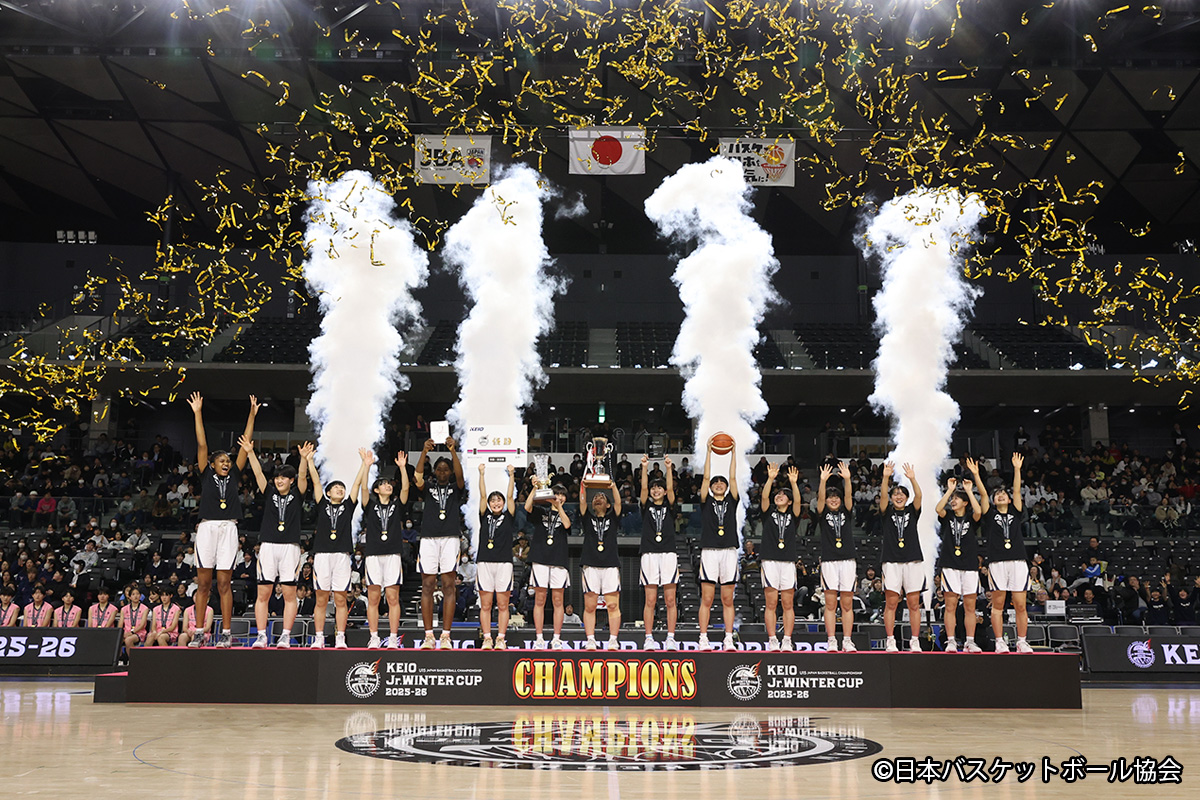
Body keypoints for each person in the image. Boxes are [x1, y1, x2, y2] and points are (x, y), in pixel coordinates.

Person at [187, 392, 259, 648]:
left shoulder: (235, 475)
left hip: (229, 527)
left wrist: (252, 414)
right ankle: (199, 632)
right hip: (207, 527)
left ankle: (226, 632)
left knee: (224, 582)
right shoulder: (205, 473)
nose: (226, 463)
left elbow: (245, 442)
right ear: (213, 464)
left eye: (228, 460)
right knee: (204, 584)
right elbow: (202, 444)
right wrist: (198, 413)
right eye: (222, 460)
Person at [242, 436, 310, 648]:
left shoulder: (298, 494)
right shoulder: (269, 492)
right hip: (268, 546)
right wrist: (251, 452)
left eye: (284, 478)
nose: (279, 480)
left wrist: (304, 459)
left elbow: (302, 476)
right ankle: (262, 636)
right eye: (278, 477)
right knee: (263, 593)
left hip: (290, 547)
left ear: (290, 480)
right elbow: (258, 473)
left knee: (290, 594)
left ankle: (285, 636)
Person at [308, 447, 369, 650]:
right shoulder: (322, 504)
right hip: (322, 555)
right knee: (321, 598)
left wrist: (364, 464)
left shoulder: (348, 506)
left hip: (342, 555)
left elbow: (357, 484)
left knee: (341, 598)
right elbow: (316, 482)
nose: (340, 490)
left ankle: (340, 637)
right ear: (328, 493)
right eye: (336, 488)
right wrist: (309, 460)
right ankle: (318, 638)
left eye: (342, 489)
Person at [974, 453, 1033, 653]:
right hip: (997, 561)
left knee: (1020, 605)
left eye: (1003, 495)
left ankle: (1022, 641)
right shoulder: (989, 514)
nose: (1000, 496)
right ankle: (1000, 641)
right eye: (997, 495)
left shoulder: (1015, 510)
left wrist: (1017, 469)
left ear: (1008, 499)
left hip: (1018, 561)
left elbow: (1017, 490)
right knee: (997, 604)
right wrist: (976, 475)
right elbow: (982, 495)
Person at [413, 437, 466, 650]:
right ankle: (428, 636)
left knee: (448, 585)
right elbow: (417, 477)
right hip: (428, 538)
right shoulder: (429, 487)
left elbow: (461, 477)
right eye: (439, 469)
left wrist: (453, 451)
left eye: (446, 469)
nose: (443, 472)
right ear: (434, 471)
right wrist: (424, 451)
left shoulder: (456, 488)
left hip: (451, 538)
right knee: (427, 585)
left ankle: (445, 635)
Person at [359, 449, 410, 649]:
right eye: (382, 484)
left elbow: (405, 489)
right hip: (373, 554)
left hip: (392, 555)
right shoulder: (370, 505)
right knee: (373, 597)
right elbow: (363, 488)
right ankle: (373, 636)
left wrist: (403, 468)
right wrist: (366, 466)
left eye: (389, 484)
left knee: (392, 597)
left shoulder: (397, 506)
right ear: (377, 490)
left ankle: (393, 637)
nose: (387, 486)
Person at [697, 434, 740, 651]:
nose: (720, 484)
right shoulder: (706, 502)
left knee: (727, 598)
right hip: (710, 551)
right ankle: (703, 637)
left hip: (729, 551)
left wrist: (733, 453)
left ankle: (728, 638)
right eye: (717, 482)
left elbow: (733, 479)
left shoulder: (732, 499)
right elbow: (705, 478)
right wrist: (708, 452)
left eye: (721, 482)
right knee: (707, 597)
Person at [878, 461, 924, 653]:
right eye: (895, 494)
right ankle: (890, 640)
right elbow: (882, 497)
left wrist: (912, 478)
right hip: (891, 561)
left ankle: (915, 640)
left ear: (906, 498)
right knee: (891, 603)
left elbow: (919, 496)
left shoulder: (913, 510)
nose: (898, 496)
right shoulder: (887, 511)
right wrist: (886, 477)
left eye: (901, 494)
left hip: (913, 560)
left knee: (914, 603)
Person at [935, 476, 983, 653]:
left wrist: (969, 491)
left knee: (970, 607)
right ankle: (951, 641)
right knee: (950, 605)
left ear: (965, 503)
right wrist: (949, 491)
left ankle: (970, 641)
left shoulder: (971, 517)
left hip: (969, 565)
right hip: (949, 564)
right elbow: (938, 508)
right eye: (952, 499)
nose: (953, 501)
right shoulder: (947, 516)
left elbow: (978, 512)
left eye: (956, 499)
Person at [759, 462, 803, 651]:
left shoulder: (794, 514)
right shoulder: (768, 513)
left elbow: (800, 502)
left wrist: (793, 484)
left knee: (787, 603)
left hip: (788, 561)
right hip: (769, 560)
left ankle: (786, 639)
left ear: (790, 501)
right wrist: (770, 479)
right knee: (771, 602)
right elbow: (763, 497)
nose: (779, 496)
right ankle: (772, 640)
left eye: (784, 495)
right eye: (778, 494)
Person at [525, 480, 572, 649]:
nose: (559, 497)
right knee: (540, 599)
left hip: (559, 560)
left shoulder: (568, 513)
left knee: (558, 600)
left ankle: (557, 638)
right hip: (540, 558)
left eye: (562, 495)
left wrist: (558, 507)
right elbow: (527, 507)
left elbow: (567, 525)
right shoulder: (541, 512)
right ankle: (539, 638)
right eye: (556, 494)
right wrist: (535, 488)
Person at [639, 454, 679, 650]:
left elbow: (671, 488)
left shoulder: (670, 506)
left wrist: (669, 468)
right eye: (654, 487)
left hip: (668, 553)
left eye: (659, 487)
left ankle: (670, 638)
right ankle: (648, 638)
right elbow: (644, 488)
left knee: (670, 599)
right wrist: (644, 468)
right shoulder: (645, 506)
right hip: (649, 553)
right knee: (650, 599)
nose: (656, 490)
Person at [476, 464, 517, 650]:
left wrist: (511, 475)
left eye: (498, 500)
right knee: (485, 604)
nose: (495, 502)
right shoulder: (484, 515)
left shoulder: (509, 516)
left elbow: (510, 496)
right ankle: (487, 638)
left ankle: (500, 638)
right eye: (493, 501)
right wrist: (482, 474)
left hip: (504, 563)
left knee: (502, 604)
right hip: (484, 562)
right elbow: (482, 495)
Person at [817, 461, 856, 652]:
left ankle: (847, 640)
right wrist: (823, 481)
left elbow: (848, 495)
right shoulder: (822, 513)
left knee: (847, 603)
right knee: (831, 603)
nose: (833, 500)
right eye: (830, 498)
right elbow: (820, 497)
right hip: (829, 560)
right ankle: (832, 640)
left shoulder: (846, 512)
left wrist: (847, 480)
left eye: (836, 498)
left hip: (848, 559)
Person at [579, 478, 622, 650]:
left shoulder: (614, 518)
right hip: (590, 564)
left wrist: (613, 486)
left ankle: (613, 639)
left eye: (602, 497)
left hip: (611, 564)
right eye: (595, 497)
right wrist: (583, 486)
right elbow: (582, 503)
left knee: (612, 605)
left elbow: (619, 502)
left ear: (608, 505)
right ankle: (590, 640)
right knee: (590, 606)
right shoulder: (587, 518)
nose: (598, 499)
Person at [120, 583, 149, 653]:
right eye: (133, 594)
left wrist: (132, 632)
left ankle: (133, 661)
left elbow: (142, 625)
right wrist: (121, 633)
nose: (135, 596)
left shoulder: (145, 608)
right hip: (126, 632)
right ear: (129, 597)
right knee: (116, 639)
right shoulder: (124, 609)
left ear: (140, 596)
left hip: (139, 633)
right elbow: (120, 624)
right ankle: (120, 658)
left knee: (128, 640)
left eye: (137, 594)